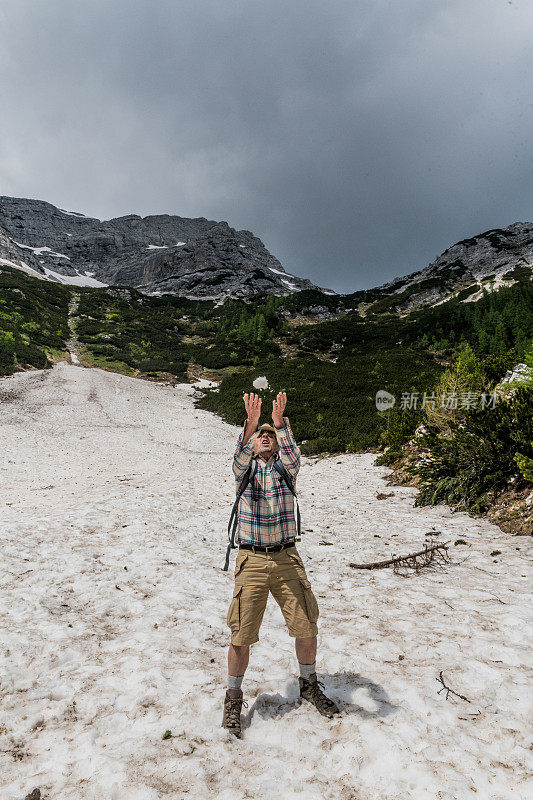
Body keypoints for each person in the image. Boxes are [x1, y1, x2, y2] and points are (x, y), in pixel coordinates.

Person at [222, 390, 339, 738]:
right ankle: (232, 697)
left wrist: (279, 424)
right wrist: (253, 424)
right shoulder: (245, 471)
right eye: (262, 439)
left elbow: (294, 455)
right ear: (254, 444)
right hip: (253, 558)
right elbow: (238, 459)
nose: (266, 440)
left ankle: (308, 684)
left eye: (270, 438)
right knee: (241, 634)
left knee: (306, 625)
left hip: (287, 557)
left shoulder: (288, 470)